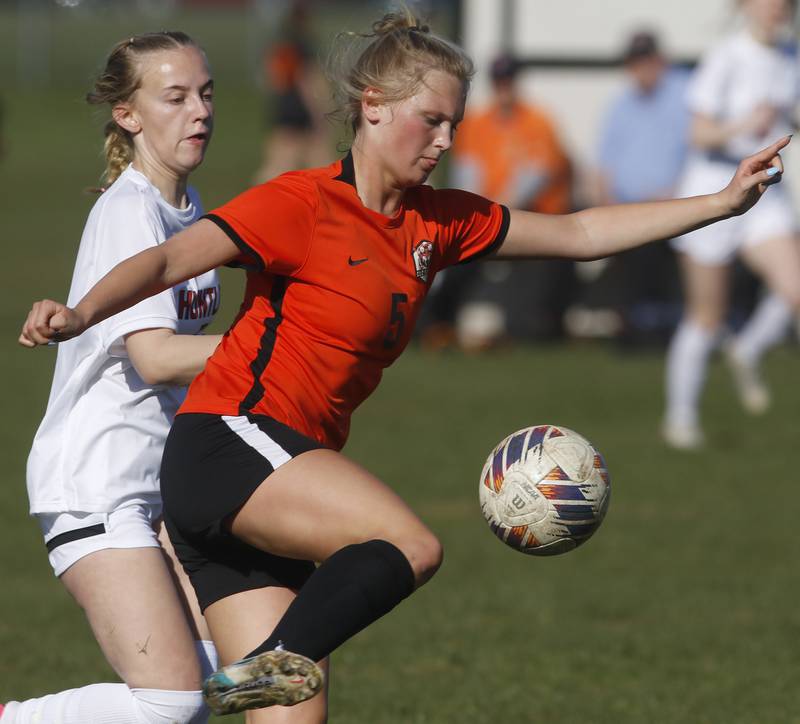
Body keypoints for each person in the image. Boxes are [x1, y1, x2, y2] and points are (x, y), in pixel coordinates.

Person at [18, 8, 789, 717]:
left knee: (292, 713)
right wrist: (80, 312)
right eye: (431, 120)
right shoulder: (301, 202)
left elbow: (581, 233)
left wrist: (719, 203)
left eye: (454, 123)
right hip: (230, 444)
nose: (446, 140)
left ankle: (251, 675)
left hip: (272, 473)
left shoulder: (438, 222)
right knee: (406, 545)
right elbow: (166, 263)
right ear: (374, 105)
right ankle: (268, 662)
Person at [1, 31, 225, 724]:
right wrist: (284, 347)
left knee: (228, 668)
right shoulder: (131, 211)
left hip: (154, 483)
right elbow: (155, 355)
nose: (200, 112)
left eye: (207, 93)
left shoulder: (187, 213)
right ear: (128, 115)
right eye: (176, 96)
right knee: (170, 701)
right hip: (95, 482)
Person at [663, 0, 800, 449]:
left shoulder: (790, 55)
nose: (778, 8)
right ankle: (680, 419)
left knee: (794, 289)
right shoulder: (727, 55)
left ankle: (748, 349)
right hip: (717, 192)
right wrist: (743, 124)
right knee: (707, 316)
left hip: (767, 193)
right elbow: (697, 133)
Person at [423, 52, 573, 349]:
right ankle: (436, 323)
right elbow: (469, 175)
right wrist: (480, 214)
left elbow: (535, 179)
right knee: (454, 254)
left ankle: (522, 327)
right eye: (499, 81)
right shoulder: (478, 122)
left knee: (531, 318)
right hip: (491, 214)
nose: (504, 87)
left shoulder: (537, 122)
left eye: (509, 80)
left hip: (534, 218)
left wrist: (492, 213)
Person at [592, 30, 690, 345]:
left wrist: (674, 192)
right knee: (631, 271)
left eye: (647, 61)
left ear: (659, 60)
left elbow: (694, 154)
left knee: (663, 272)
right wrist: (606, 204)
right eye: (636, 63)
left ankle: (661, 328)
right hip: (629, 207)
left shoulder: (683, 94)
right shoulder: (622, 105)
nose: (643, 69)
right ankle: (636, 329)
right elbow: (605, 163)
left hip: (674, 205)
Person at [252, 0, 331, 184]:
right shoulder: (304, 45)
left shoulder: (280, 43)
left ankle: (256, 197)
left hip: (282, 106)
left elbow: (270, 77)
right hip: (300, 109)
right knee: (322, 164)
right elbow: (307, 81)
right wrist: (318, 112)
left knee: (276, 164)